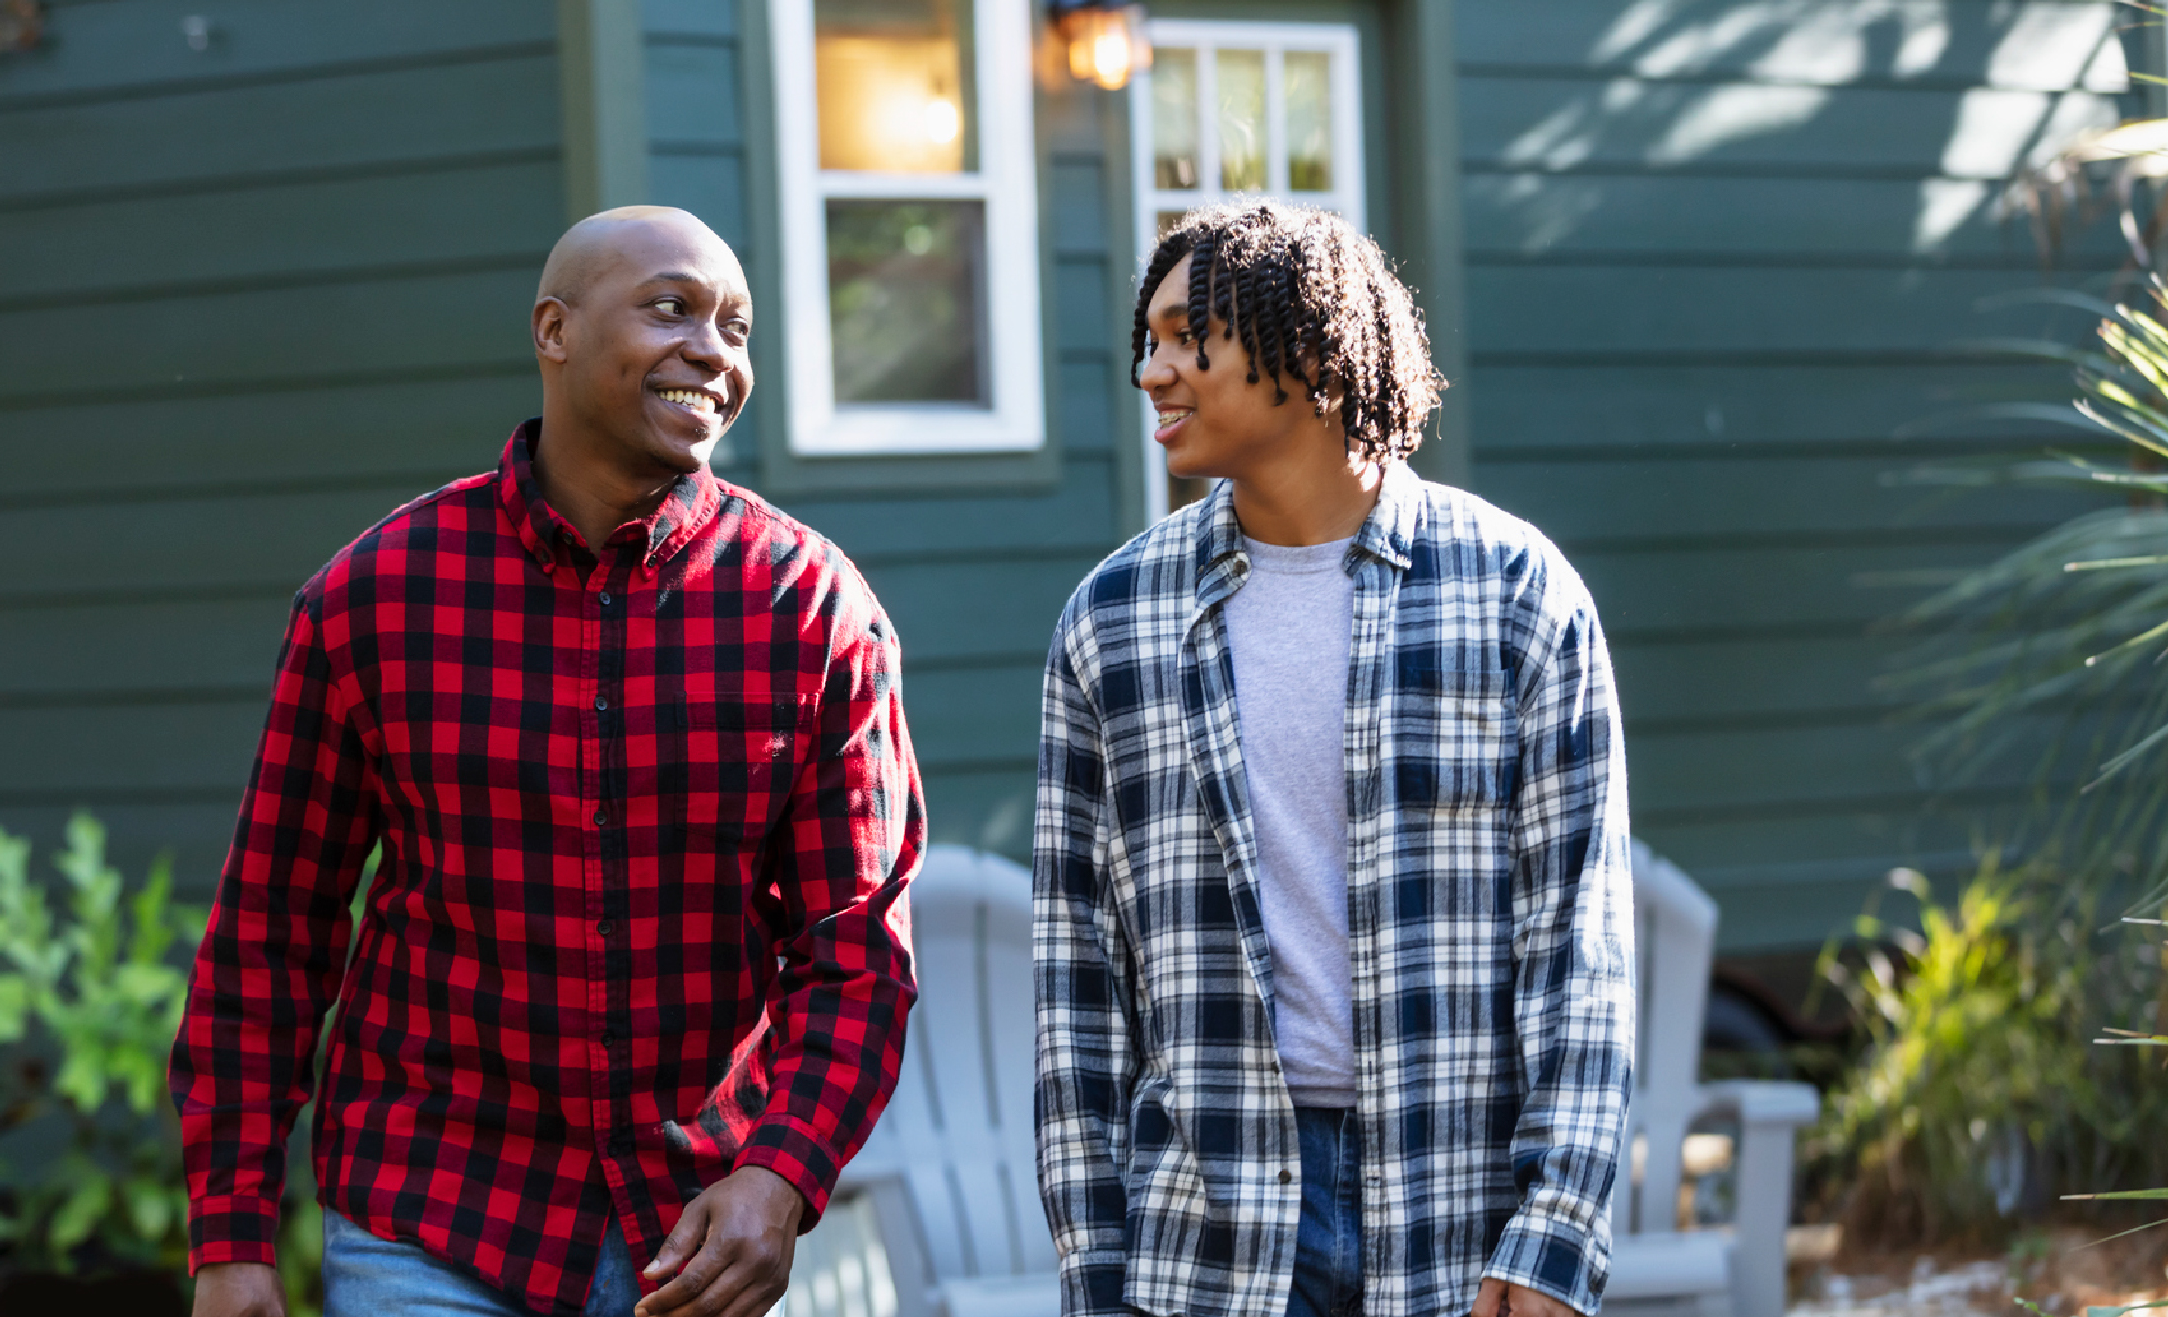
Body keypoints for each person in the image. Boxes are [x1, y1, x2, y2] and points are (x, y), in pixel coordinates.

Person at [173, 207, 925, 1317]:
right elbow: (272, 934)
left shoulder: (810, 609)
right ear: (554, 330)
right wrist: (231, 1239)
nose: (713, 351)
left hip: (691, 1235)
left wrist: (781, 1171)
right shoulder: (374, 597)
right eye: (671, 308)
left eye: (737, 326)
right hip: (428, 1219)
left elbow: (859, 944)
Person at [1033, 202, 1633, 1317]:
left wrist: (1558, 1225)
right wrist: (1092, 1266)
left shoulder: (1512, 591)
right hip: (1203, 1244)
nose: (1151, 372)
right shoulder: (1111, 621)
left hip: (1459, 1219)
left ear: (1304, 348)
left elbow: (1579, 940)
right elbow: (1077, 981)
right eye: (1145, 341)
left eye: (1184, 337)